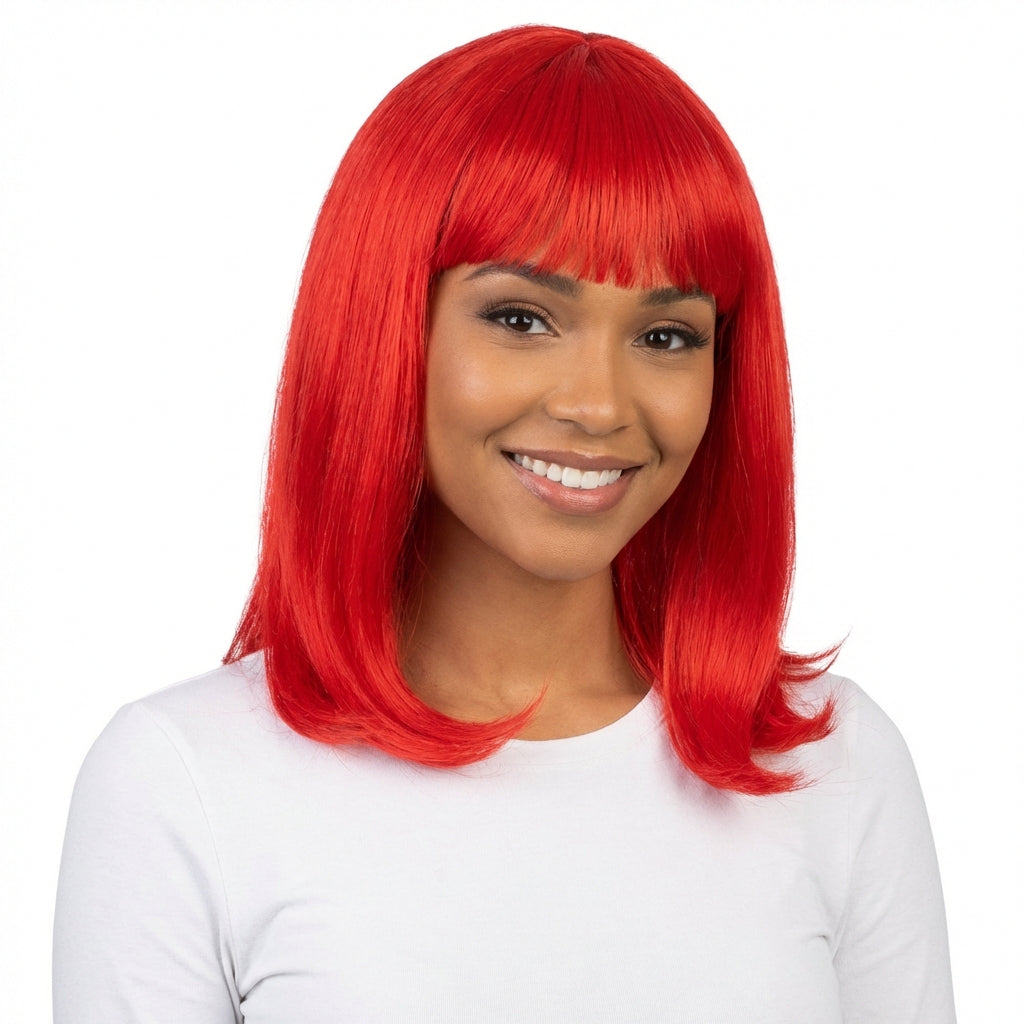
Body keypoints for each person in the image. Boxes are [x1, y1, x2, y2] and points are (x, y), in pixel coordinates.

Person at [53, 25, 956, 1022]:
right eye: (521, 318)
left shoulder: (833, 767)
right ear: (385, 326)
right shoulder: (184, 782)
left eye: (666, 335)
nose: (598, 405)